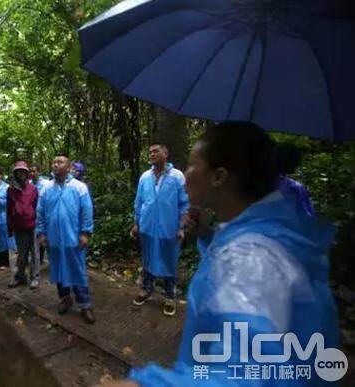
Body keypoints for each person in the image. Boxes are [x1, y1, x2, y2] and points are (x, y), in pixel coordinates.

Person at [105, 122, 339, 387]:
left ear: (219, 177)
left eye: (193, 165)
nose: (187, 175)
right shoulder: (261, 233)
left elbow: (247, 375)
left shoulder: (254, 258)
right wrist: (207, 233)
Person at [130, 143, 189, 316]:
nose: (152, 154)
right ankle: (146, 290)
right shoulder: (144, 177)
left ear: (166, 153)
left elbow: (184, 203)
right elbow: (139, 202)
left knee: (169, 261)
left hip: (169, 228)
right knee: (147, 259)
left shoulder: (177, 176)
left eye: (156, 151)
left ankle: (169, 296)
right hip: (147, 227)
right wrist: (136, 223)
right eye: (150, 152)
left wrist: (181, 227)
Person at [36, 154, 96, 324]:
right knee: (59, 269)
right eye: (54, 162)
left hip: (73, 238)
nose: (55, 164)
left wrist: (85, 233)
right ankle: (65, 298)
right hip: (53, 239)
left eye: (60, 162)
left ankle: (85, 305)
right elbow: (40, 212)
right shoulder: (46, 188)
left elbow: (87, 211)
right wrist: (41, 233)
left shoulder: (79, 187)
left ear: (69, 167)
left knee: (77, 270)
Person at [7, 161, 40, 289]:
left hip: (32, 226)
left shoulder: (33, 189)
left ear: (27, 174)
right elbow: (9, 209)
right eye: (18, 171)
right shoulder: (10, 190)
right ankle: (20, 277)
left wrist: (40, 226)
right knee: (21, 253)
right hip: (18, 226)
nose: (21, 173)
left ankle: (34, 277)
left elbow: (37, 207)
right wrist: (9, 227)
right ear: (15, 173)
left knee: (35, 252)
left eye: (23, 171)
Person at [276, 143, 316, 217]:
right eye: (294, 161)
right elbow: (308, 216)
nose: (297, 164)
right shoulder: (294, 187)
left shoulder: (295, 187)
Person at [29, 163, 51, 265]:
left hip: (45, 214)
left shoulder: (46, 184)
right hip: (32, 215)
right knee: (36, 237)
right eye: (31, 171)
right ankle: (38, 259)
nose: (32, 173)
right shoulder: (28, 184)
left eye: (34, 171)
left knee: (46, 237)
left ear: (39, 172)